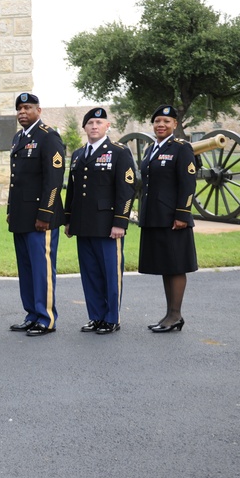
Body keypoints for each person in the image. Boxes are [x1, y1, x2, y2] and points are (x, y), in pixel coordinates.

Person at [63, 108, 136, 335]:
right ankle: (96, 316)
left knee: (110, 273)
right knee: (90, 273)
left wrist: (120, 222)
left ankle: (112, 318)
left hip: (107, 225)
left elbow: (127, 189)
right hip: (84, 224)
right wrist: (68, 220)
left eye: (99, 122)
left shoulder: (119, 152)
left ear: (107, 126)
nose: (94, 126)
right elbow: (73, 190)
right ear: (84, 128)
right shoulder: (77, 154)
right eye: (90, 123)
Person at [6, 92, 66, 337]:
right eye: (19, 109)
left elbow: (54, 179)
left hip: (40, 217)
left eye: (27, 108)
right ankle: (31, 314)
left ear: (38, 111)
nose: (22, 112)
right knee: (27, 268)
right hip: (21, 216)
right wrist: (11, 210)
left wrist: (46, 212)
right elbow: (16, 180)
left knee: (42, 268)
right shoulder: (18, 138)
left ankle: (46, 317)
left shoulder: (48, 136)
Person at [138, 104, 198, 333]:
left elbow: (188, 182)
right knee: (166, 266)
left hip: (173, 217)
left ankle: (175, 315)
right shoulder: (150, 149)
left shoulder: (181, 148)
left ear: (175, 124)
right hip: (155, 215)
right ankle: (169, 314)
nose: (161, 125)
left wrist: (182, 213)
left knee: (175, 266)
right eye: (157, 122)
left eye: (166, 122)